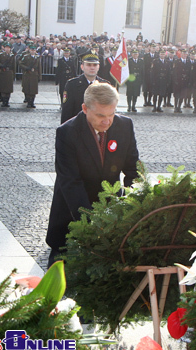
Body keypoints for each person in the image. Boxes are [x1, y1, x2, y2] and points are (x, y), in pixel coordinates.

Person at [46, 82, 139, 267]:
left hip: (111, 214)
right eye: (100, 115)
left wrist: (133, 206)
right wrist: (91, 223)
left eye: (111, 114)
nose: (107, 121)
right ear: (85, 108)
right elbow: (71, 181)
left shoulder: (125, 126)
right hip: (72, 216)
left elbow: (133, 170)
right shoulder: (67, 132)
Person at [60, 53, 108, 123]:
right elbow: (67, 111)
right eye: (88, 65)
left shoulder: (105, 85)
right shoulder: (72, 85)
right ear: (82, 67)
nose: (92, 68)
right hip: (78, 126)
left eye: (95, 65)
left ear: (98, 67)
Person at [0, 42, 16, 107]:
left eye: (8, 48)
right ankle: (3, 101)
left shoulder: (12, 56)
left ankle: (7, 101)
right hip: (3, 72)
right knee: (3, 87)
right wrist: (1, 66)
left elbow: (14, 66)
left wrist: (14, 75)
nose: (7, 49)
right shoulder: (1, 55)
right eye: (6, 48)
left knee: (8, 88)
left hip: (9, 73)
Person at [19, 44, 42, 108]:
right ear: (29, 50)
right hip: (28, 75)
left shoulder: (37, 57)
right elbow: (20, 63)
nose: (33, 51)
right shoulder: (26, 57)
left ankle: (32, 102)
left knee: (33, 90)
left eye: (34, 50)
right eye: (32, 50)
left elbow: (39, 67)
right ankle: (29, 102)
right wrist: (26, 68)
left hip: (34, 75)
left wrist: (40, 76)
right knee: (28, 89)